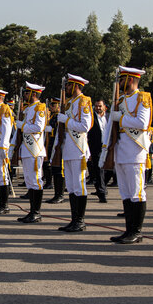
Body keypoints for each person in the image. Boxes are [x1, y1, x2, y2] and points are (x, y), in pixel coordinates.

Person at [102, 66, 152, 244]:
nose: (120, 83)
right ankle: (129, 230)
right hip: (121, 149)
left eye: (122, 80)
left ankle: (137, 231)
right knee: (125, 192)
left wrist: (120, 118)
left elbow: (142, 123)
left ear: (130, 80)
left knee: (136, 192)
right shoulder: (121, 100)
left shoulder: (142, 98)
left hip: (135, 150)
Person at [55, 74, 94, 232]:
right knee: (71, 186)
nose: (68, 88)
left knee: (79, 185)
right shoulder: (70, 103)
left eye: (69, 85)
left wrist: (67, 121)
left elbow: (85, 126)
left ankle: (80, 221)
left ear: (76, 85)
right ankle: (74, 219)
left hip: (78, 149)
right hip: (68, 149)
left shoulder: (84, 101)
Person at [15, 83, 47, 223]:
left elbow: (39, 127)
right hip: (27, 148)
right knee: (29, 180)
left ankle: (36, 212)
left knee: (35, 180)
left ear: (34, 94)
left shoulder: (40, 107)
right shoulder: (29, 109)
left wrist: (22, 126)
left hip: (35, 149)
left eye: (27, 93)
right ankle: (32, 211)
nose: (25, 96)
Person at [44, 98, 65, 204]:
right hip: (52, 145)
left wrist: (50, 129)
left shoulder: (59, 116)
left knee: (59, 170)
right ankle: (57, 194)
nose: (51, 107)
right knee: (54, 169)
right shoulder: (53, 116)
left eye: (53, 104)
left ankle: (60, 195)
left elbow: (60, 131)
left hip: (58, 146)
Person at [88, 99, 109, 203]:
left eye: (100, 106)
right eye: (96, 106)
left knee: (110, 170)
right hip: (96, 147)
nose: (98, 108)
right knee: (98, 169)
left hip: (109, 146)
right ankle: (101, 192)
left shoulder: (109, 117)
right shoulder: (91, 117)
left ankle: (102, 186)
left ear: (104, 106)